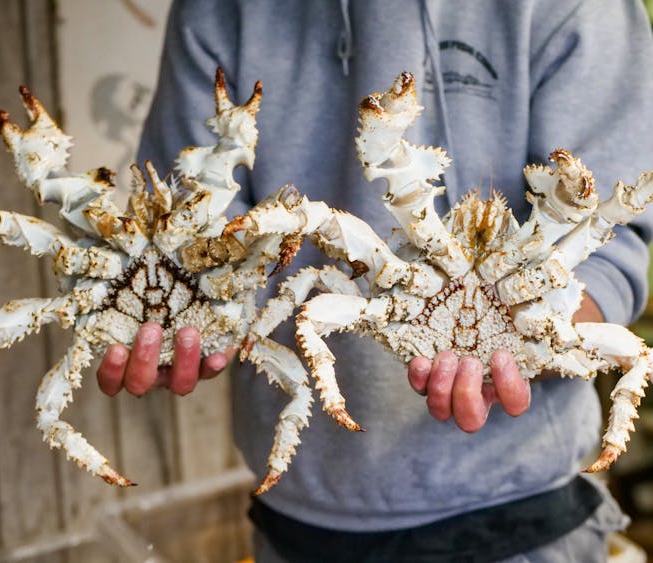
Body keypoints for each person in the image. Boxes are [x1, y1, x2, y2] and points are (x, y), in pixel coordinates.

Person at [97, 1, 653, 560]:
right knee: (311, 283)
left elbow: (612, 238)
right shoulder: (218, 10)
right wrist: (198, 319)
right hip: (299, 512)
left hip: (525, 514)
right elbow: (193, 222)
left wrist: (535, 342)